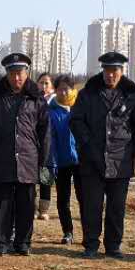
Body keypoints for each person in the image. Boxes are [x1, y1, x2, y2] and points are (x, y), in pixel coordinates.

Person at [70, 51, 135, 259]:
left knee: (116, 207)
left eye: (115, 70)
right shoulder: (87, 94)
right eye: (107, 70)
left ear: (122, 71)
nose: (110, 75)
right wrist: (87, 144)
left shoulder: (133, 97)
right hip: (92, 159)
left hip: (121, 159)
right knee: (92, 205)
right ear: (102, 71)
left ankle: (113, 245)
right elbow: (75, 121)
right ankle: (91, 244)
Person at [0, 52, 50, 256]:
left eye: (20, 73)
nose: (16, 78)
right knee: (1, 204)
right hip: (2, 159)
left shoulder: (36, 100)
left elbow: (45, 133)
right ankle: (0, 242)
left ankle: (23, 242)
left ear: (27, 73)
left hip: (28, 159)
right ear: (7, 74)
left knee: (26, 204)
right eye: (12, 73)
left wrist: (43, 161)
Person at [45, 75, 80, 244]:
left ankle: (89, 232)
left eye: (66, 89)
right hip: (61, 162)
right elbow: (50, 140)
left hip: (81, 161)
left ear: (72, 90)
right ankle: (68, 232)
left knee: (84, 198)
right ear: (55, 90)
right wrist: (52, 162)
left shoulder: (80, 108)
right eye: (60, 89)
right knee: (63, 199)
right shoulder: (51, 112)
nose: (63, 92)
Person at [35, 73, 54, 221]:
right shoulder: (33, 100)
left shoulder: (56, 102)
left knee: (46, 177)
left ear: (52, 86)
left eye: (47, 83)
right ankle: (32, 207)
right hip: (34, 144)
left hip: (50, 145)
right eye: (41, 83)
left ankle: (44, 209)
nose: (44, 86)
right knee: (32, 178)